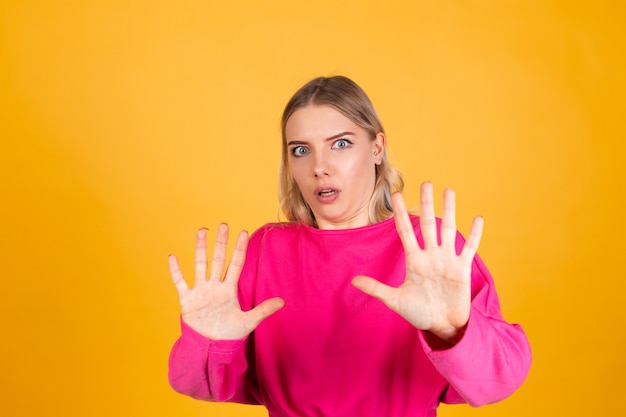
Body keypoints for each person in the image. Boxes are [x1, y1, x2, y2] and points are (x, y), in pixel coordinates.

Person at [167, 75, 531, 416]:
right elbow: (200, 385)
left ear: (377, 147)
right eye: (300, 150)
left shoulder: (428, 247)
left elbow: (500, 380)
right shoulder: (266, 251)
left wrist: (453, 330)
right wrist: (207, 341)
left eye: (340, 144)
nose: (319, 167)